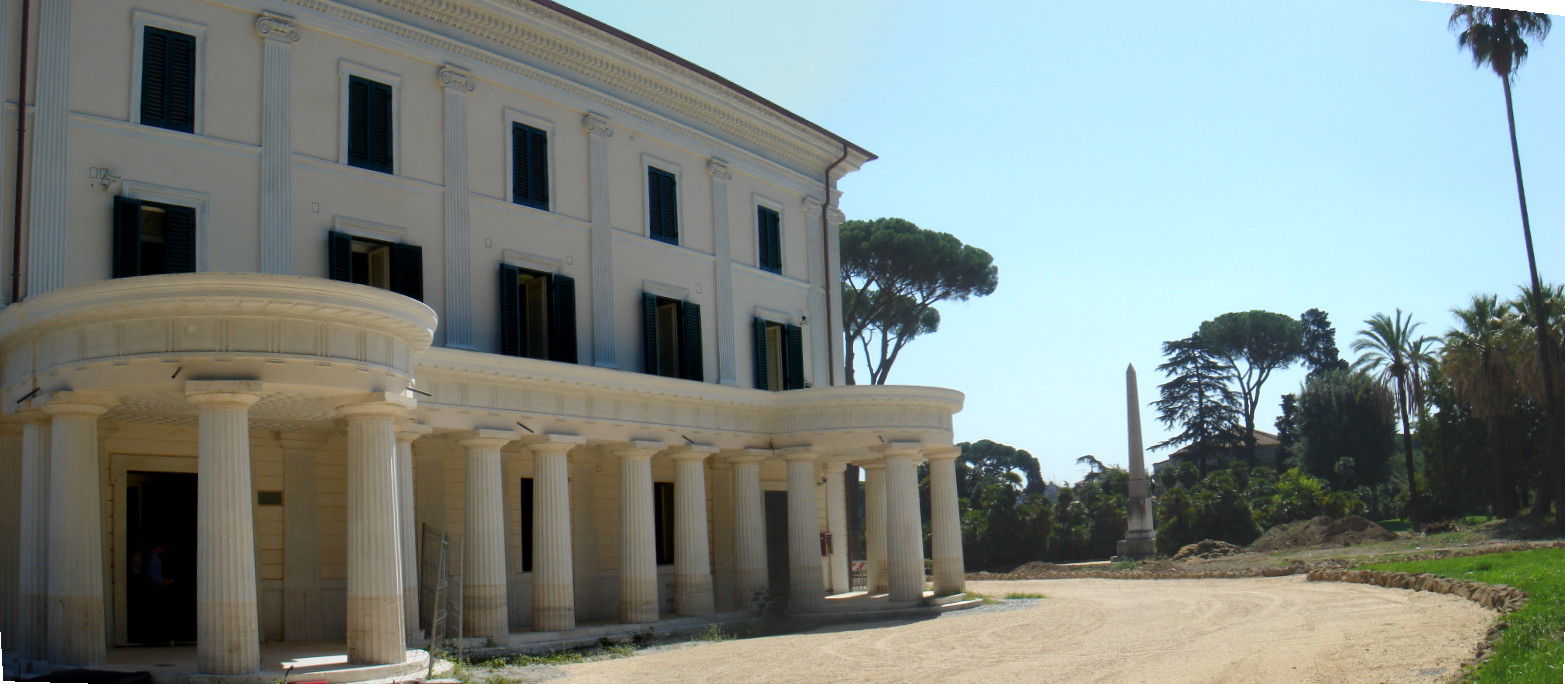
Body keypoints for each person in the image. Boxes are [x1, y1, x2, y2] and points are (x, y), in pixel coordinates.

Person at [144, 542, 175, 646]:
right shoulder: (154, 557)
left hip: (154, 585)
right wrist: (162, 581)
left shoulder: (150, 556)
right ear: (158, 548)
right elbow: (153, 572)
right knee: (159, 611)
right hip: (155, 586)